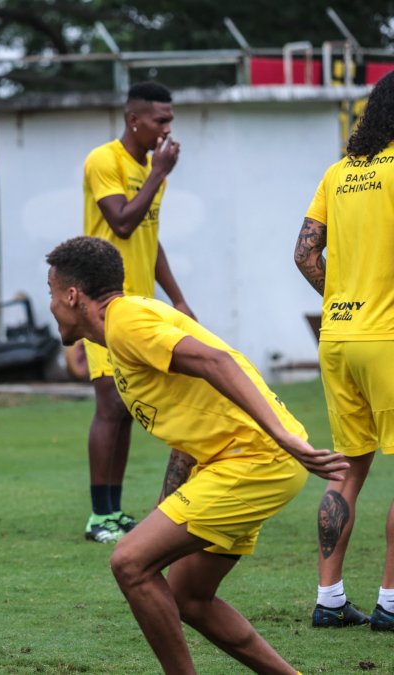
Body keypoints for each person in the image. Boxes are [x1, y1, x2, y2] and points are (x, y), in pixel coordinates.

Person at [45, 236, 347, 673]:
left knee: (129, 562)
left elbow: (218, 362)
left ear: (73, 296)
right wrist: (162, 510)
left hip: (254, 460)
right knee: (190, 598)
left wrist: (284, 438)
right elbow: (187, 426)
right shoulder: (123, 325)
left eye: (51, 294)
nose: (52, 305)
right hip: (239, 461)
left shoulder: (126, 321)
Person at [295, 69, 394, 631]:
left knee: (348, 470)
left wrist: (343, 298)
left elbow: (306, 254)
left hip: (337, 337)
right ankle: (390, 603)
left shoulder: (340, 172)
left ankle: (329, 599)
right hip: (389, 340)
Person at [80, 80, 194, 543]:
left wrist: (177, 296)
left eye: (170, 119)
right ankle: (99, 516)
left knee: (125, 407)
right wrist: (158, 175)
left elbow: (150, 234)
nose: (167, 128)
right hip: (98, 301)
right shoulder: (104, 160)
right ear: (134, 119)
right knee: (110, 403)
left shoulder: (148, 166)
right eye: (160, 119)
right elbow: (123, 222)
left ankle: (113, 510)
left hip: (136, 303)